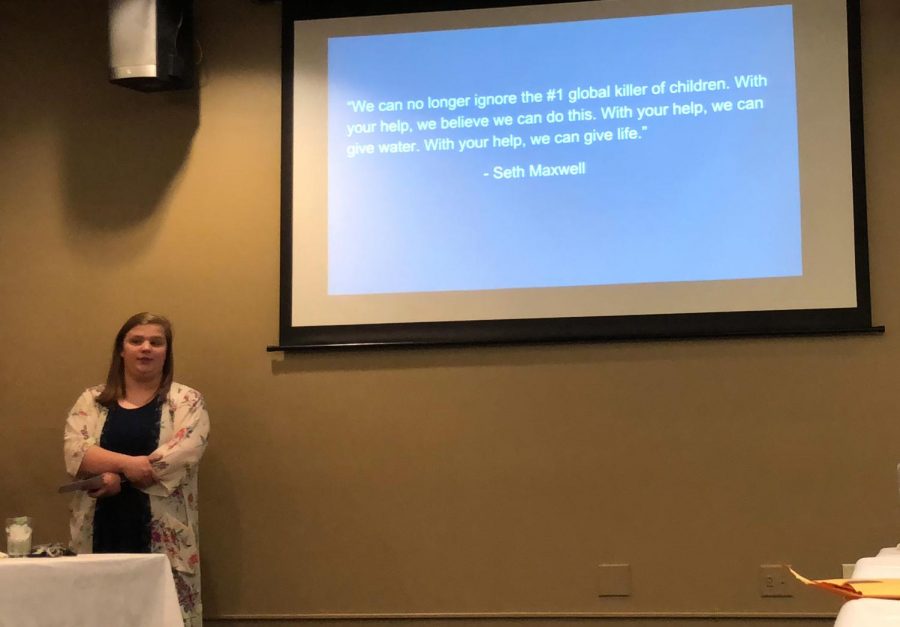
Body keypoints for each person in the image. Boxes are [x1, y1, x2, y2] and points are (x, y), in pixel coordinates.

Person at [63, 312, 210, 627]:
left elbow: (182, 455)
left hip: (165, 541)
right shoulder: (92, 401)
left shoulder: (186, 401)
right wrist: (128, 465)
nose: (146, 348)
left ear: (166, 352)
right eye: (136, 340)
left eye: (156, 342)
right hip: (99, 529)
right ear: (121, 349)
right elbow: (76, 453)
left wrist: (117, 476)